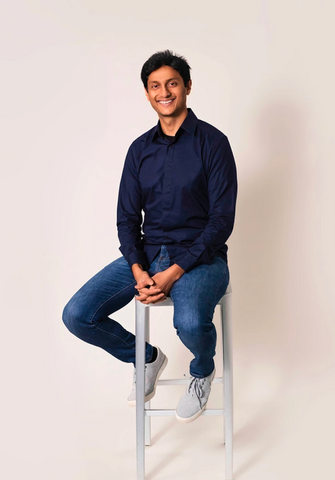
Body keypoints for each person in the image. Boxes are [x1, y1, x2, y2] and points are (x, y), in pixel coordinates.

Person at [62, 50, 237, 423]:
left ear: (187, 86)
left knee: (189, 324)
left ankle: (202, 371)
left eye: (172, 83)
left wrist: (173, 271)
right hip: (146, 255)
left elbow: (222, 220)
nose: (164, 92)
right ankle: (146, 358)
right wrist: (139, 269)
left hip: (201, 259)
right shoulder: (139, 150)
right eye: (155, 86)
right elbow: (126, 219)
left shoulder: (213, 143)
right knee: (78, 315)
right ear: (146, 93)